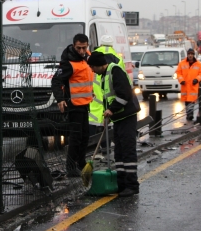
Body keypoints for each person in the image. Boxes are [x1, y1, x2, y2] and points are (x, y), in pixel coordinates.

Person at [88, 51, 141, 197]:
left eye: (93, 67)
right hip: (118, 118)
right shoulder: (104, 74)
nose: (92, 70)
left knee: (127, 150)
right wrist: (109, 115)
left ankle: (132, 185)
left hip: (126, 117)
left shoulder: (115, 70)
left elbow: (124, 95)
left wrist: (111, 110)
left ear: (99, 65)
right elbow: (109, 98)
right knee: (119, 152)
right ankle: (121, 184)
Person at [51, 33, 94, 176]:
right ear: (74, 46)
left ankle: (81, 162)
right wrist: (60, 99)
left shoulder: (87, 57)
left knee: (84, 136)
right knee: (75, 137)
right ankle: (70, 167)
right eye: (79, 48)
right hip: (74, 104)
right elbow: (56, 81)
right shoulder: (68, 63)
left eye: (84, 47)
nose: (82, 51)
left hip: (85, 104)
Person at [89, 34, 125, 129]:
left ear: (100, 45)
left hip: (94, 97)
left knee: (93, 129)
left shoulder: (92, 56)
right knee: (108, 133)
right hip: (109, 98)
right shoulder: (118, 59)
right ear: (112, 46)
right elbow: (122, 80)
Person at [175, 48, 201, 122]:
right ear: (187, 55)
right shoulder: (182, 63)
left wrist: (197, 79)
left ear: (193, 55)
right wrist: (181, 80)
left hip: (193, 86)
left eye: (191, 54)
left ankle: (190, 114)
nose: (190, 55)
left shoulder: (198, 64)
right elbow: (178, 73)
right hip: (185, 86)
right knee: (187, 102)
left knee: (192, 101)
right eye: (189, 54)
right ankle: (189, 114)